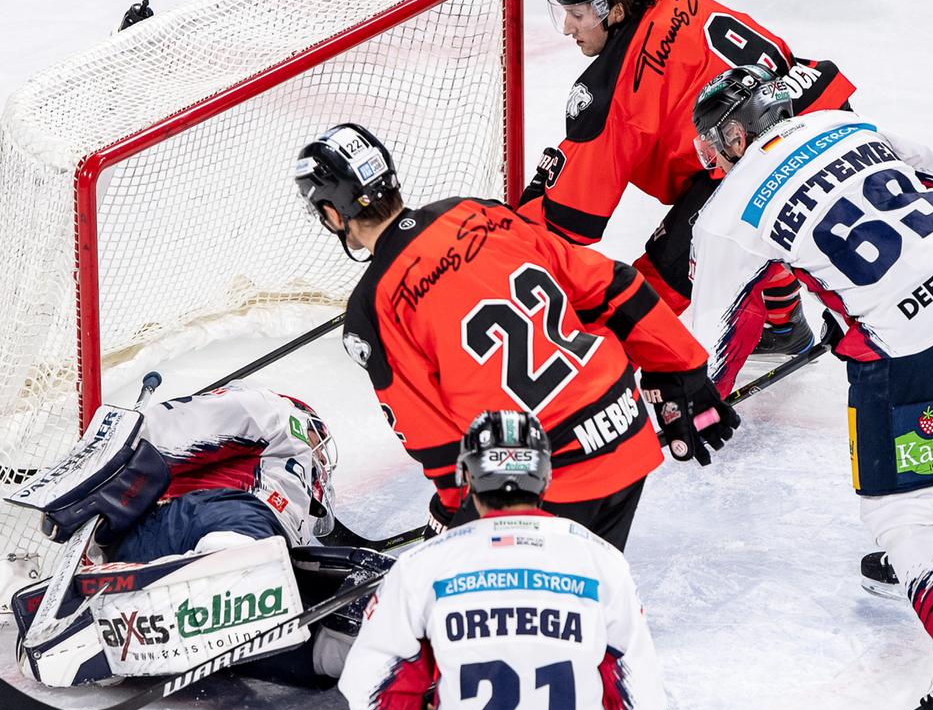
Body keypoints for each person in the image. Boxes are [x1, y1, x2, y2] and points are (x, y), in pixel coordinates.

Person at [685, 65, 933, 710]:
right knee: (930, 418)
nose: (711, 157)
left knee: (896, 510)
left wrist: (698, 407)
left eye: (712, 142)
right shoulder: (841, 123)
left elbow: (710, 345)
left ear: (732, 132)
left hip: (910, 338)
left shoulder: (728, 211)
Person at [293, 122, 738, 551]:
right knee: (591, 588)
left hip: (542, 475)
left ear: (333, 214)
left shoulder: (372, 308)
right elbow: (611, 285)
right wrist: (683, 368)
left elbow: (429, 432)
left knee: (515, 614)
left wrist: (455, 510)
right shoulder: (477, 212)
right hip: (622, 423)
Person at [516, 0, 858, 356]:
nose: (567, 27)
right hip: (827, 117)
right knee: (739, 210)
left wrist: (511, 234)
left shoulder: (614, 90)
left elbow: (571, 218)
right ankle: (785, 322)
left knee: (666, 271)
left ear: (616, 9)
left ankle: (592, 373)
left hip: (771, 160)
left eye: (578, 13)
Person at [9, 381, 389, 689]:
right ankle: (222, 572)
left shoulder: (296, 516)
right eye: (321, 458)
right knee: (244, 527)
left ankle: (339, 651)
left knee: (287, 616)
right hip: (186, 526)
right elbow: (178, 424)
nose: (323, 466)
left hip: (206, 567)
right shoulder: (276, 415)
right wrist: (102, 472)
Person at [339, 410, 679, 710]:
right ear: (545, 477)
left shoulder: (421, 567)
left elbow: (367, 689)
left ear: (468, 478)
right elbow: (641, 708)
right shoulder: (602, 562)